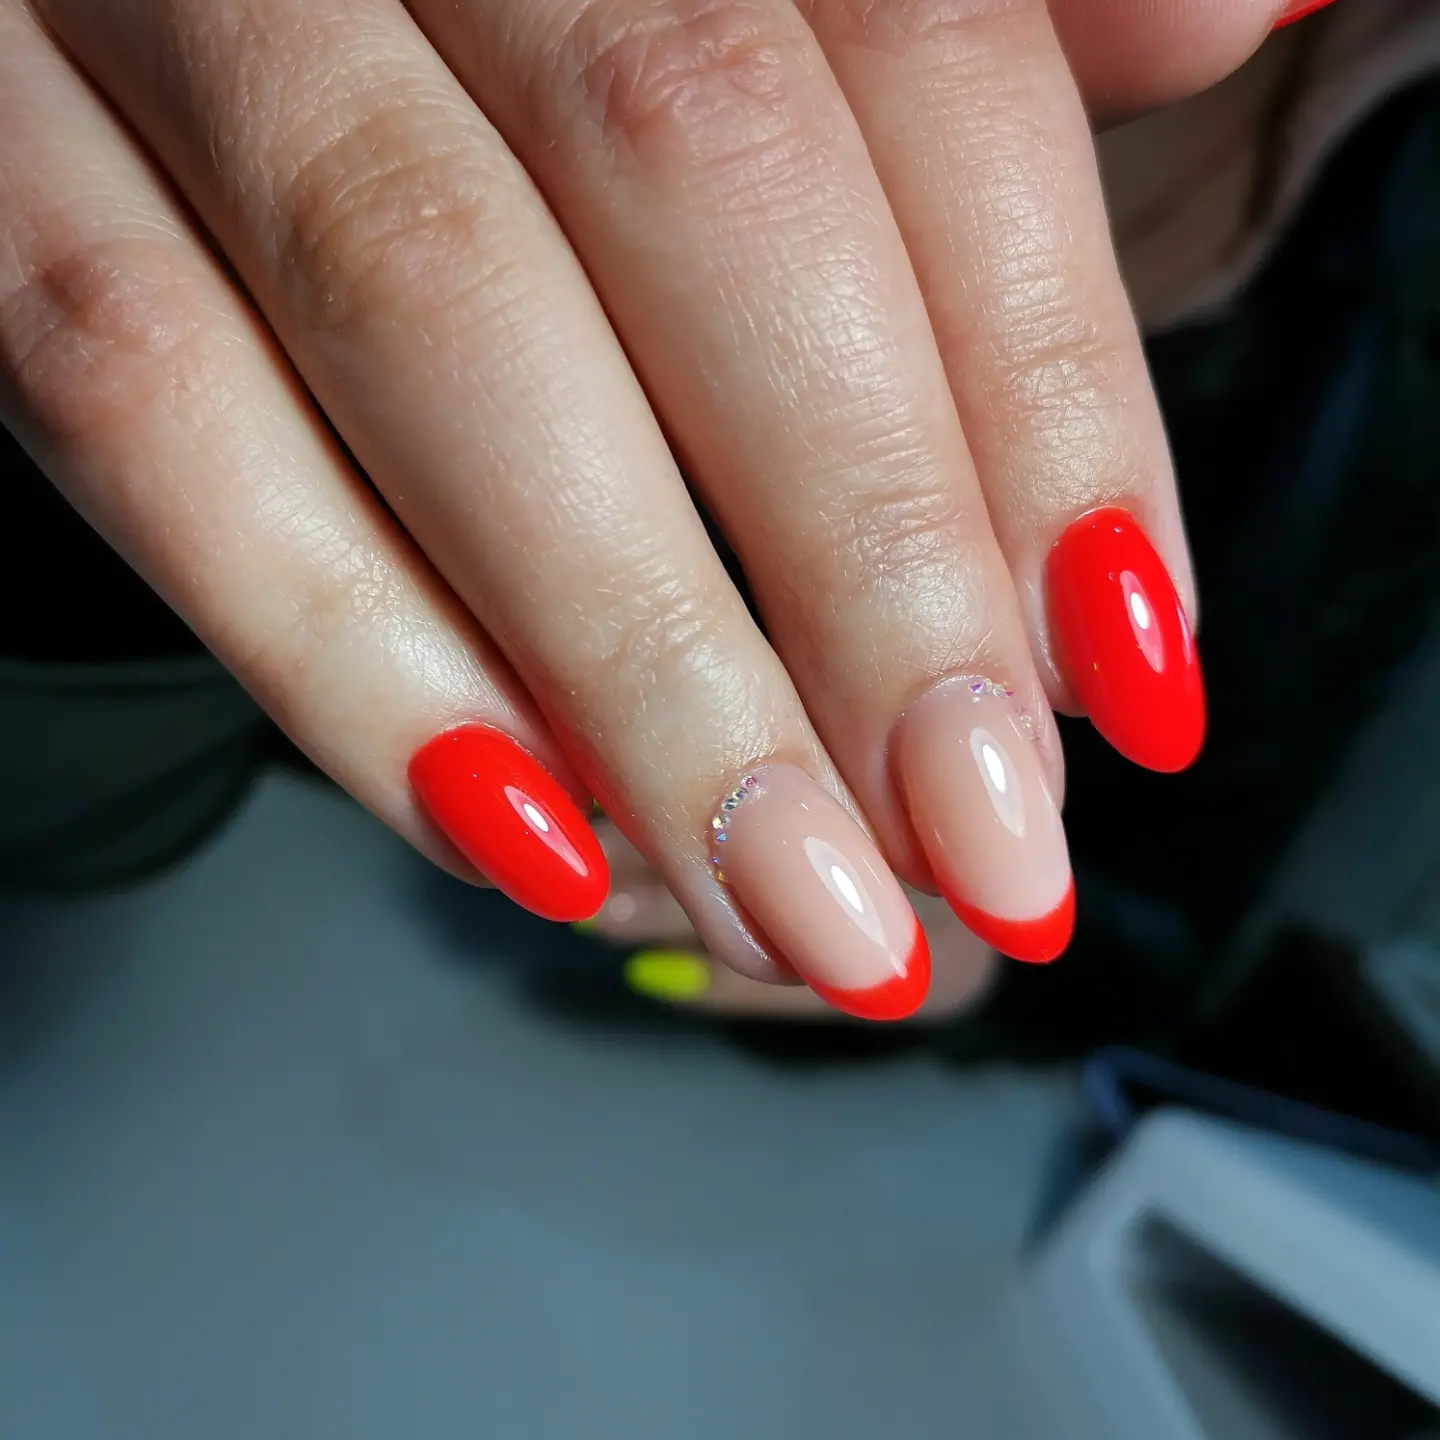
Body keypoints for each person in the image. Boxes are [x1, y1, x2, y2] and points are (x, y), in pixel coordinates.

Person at [0, 0, 1432, 1029]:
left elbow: (1204, 925)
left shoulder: (1389, 210)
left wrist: (983, 943)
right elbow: (67, 823)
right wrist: (122, 432)